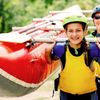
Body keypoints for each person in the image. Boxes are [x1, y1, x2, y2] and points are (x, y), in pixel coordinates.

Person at [45, 13, 100, 100]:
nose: (74, 34)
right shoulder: (60, 49)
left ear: (85, 31)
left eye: (78, 30)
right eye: (70, 31)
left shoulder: (92, 49)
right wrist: (48, 50)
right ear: (65, 32)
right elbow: (49, 61)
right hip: (67, 95)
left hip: (89, 95)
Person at [90, 5, 100, 100]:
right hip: (93, 83)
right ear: (93, 20)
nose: (99, 19)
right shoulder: (89, 38)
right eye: (97, 17)